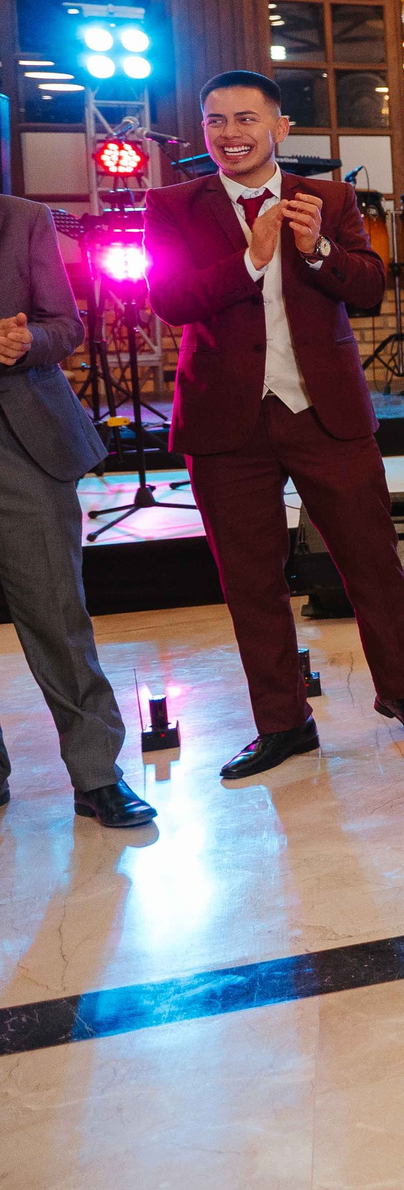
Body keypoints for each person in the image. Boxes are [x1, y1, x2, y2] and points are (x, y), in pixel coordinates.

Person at [145, 71, 404, 780]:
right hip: (227, 422)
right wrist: (251, 257)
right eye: (217, 119)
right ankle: (283, 723)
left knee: (373, 562)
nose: (231, 132)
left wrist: (318, 250)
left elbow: (372, 287)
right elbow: (168, 298)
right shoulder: (172, 205)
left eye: (247, 118)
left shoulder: (333, 198)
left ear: (280, 129)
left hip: (327, 412)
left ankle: (403, 692)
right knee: (251, 580)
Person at [0, 196, 154, 827]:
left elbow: (64, 325)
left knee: (56, 613)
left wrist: (27, 339)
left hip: (21, 440)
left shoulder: (22, 219)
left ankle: (96, 775)